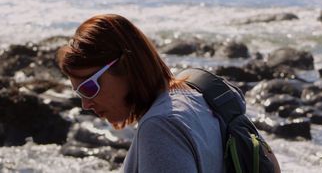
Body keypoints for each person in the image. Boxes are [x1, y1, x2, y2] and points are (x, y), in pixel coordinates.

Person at [56, 14, 279, 173]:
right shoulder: (199, 95)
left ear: (126, 67)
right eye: (78, 92)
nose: (85, 104)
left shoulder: (161, 127)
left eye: (89, 87)